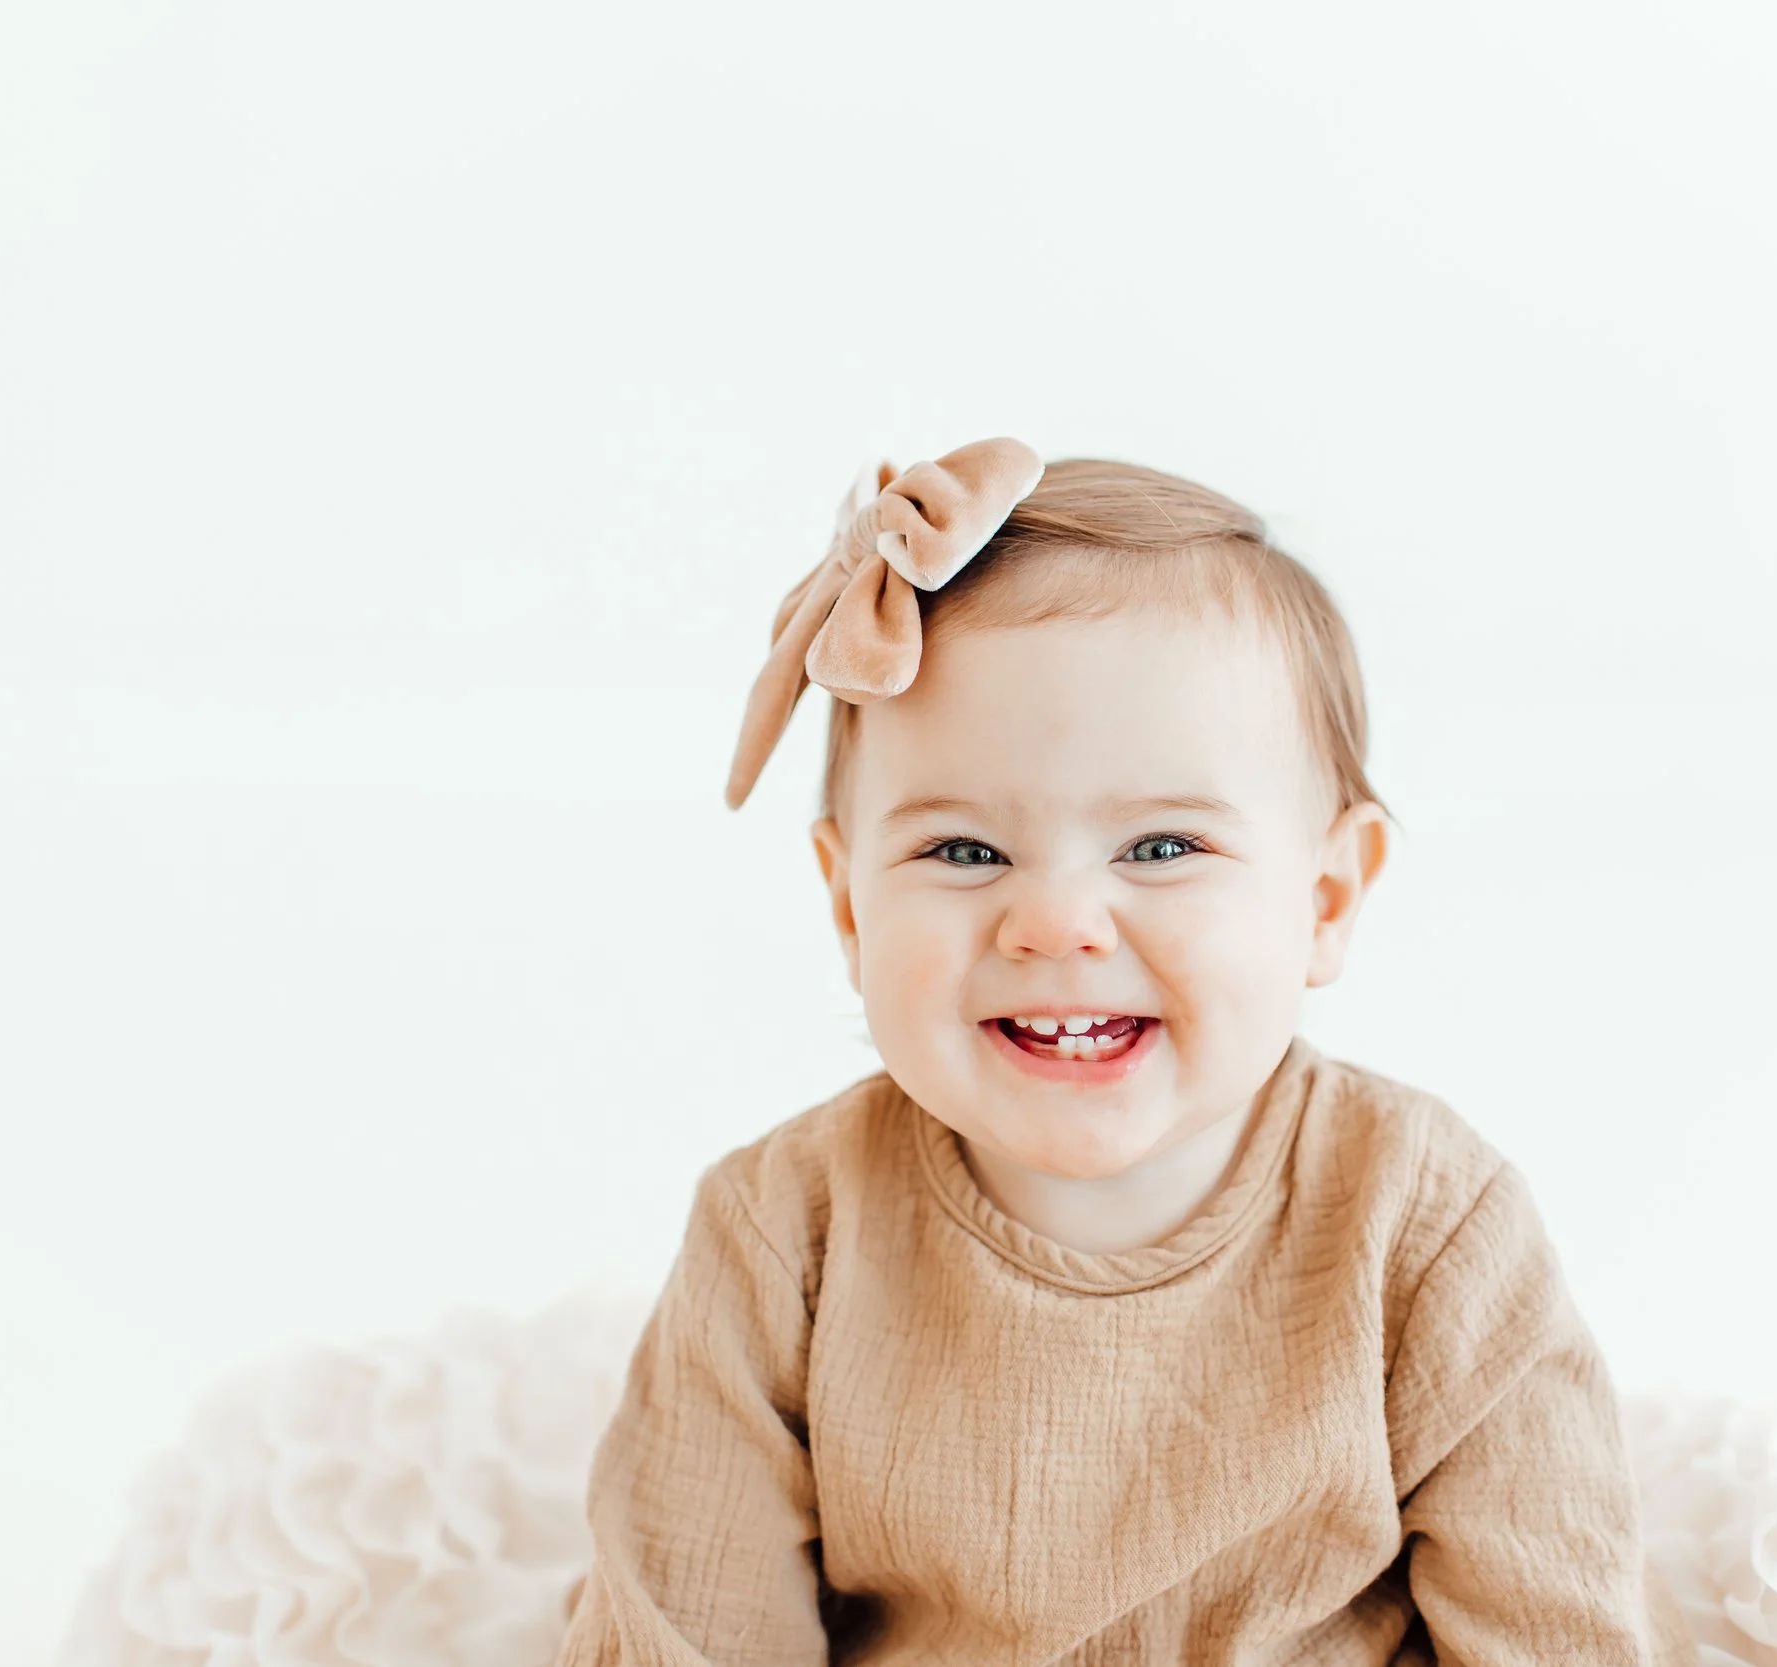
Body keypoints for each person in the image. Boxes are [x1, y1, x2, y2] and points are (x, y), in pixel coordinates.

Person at [556, 439, 1698, 1665]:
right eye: (962, 851)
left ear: (1322, 898)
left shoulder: (1425, 1219)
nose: (1053, 924)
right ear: (847, 907)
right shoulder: (783, 1230)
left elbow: (1550, 1624)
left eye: (1160, 847)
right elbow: (686, 1619)